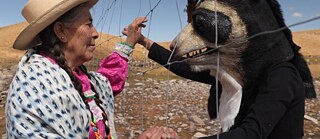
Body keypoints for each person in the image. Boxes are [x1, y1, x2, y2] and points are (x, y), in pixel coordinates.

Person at [5, 0, 178, 139]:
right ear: (61, 31)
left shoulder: (76, 76)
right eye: (88, 24)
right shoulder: (35, 87)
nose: (95, 33)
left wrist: (130, 42)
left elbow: (107, 81)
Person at [123, 15, 314, 138]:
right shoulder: (239, 70)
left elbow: (251, 133)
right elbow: (185, 67)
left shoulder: (282, 75)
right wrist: (143, 41)